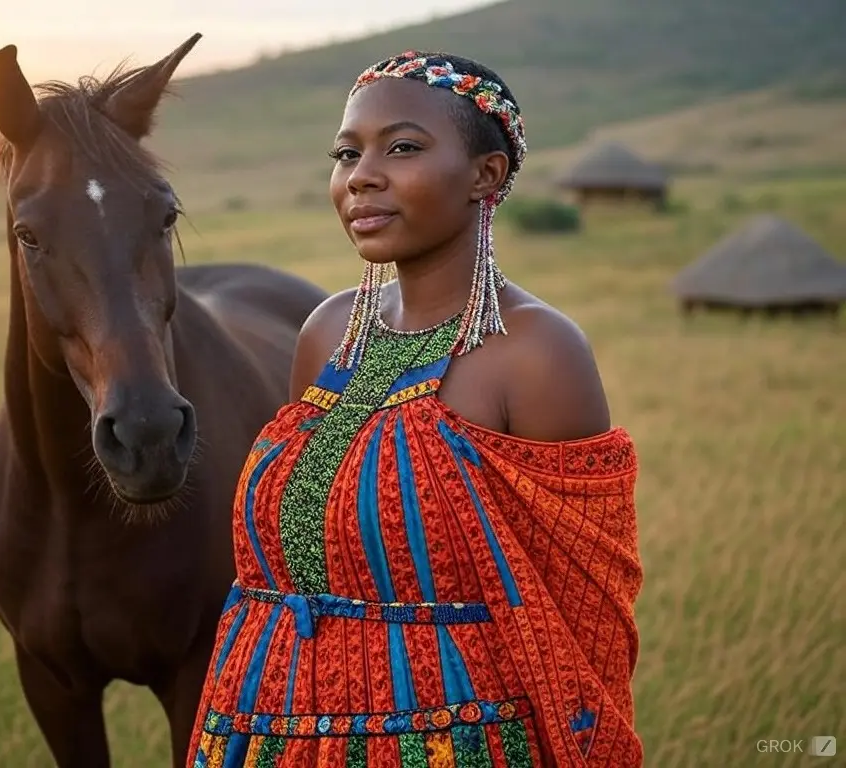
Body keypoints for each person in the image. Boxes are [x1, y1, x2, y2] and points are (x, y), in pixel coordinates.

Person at [186, 50, 644, 767]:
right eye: (346, 153)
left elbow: (582, 620)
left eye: (402, 147)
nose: (361, 175)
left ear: (485, 176)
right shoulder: (327, 334)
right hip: (267, 724)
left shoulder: (534, 353)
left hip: (457, 740)